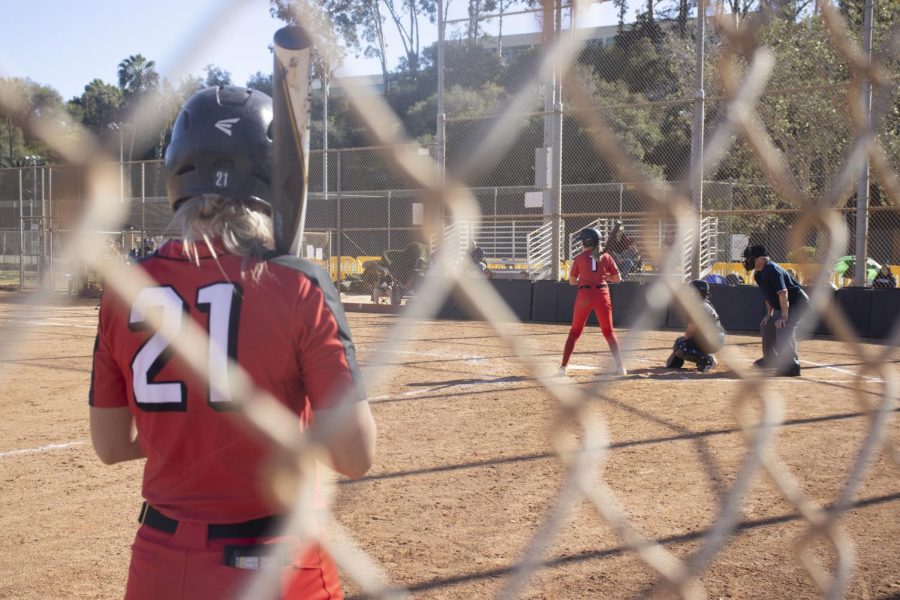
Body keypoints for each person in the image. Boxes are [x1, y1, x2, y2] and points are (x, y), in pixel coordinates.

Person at [89, 86, 377, 600]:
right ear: (273, 174)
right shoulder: (298, 285)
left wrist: (182, 440)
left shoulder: (123, 289)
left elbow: (110, 446)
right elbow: (353, 456)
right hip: (278, 560)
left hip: (162, 562)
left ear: (175, 171)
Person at [559, 227, 626, 376]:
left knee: (575, 332)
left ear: (587, 242)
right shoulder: (606, 257)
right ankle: (620, 367)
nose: (581, 243)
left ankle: (563, 367)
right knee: (609, 332)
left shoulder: (579, 258)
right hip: (602, 294)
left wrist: (585, 276)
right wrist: (604, 276)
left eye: (582, 241)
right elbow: (617, 279)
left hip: (584, 294)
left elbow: (572, 281)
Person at [742, 244, 809, 377]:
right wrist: (769, 314)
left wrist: (784, 317)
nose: (748, 260)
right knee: (766, 325)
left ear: (761, 258)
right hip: (784, 305)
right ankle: (770, 359)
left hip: (797, 303)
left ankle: (792, 365)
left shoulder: (772, 269)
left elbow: (783, 293)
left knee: (784, 326)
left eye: (751, 258)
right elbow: (768, 295)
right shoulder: (758, 274)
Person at [665, 280, 725, 373]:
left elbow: (690, 332)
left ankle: (707, 361)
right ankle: (706, 357)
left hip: (712, 340)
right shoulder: (705, 303)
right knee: (682, 342)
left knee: (682, 345)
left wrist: (679, 347)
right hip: (715, 339)